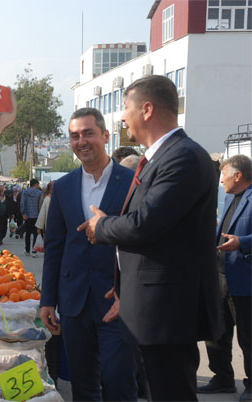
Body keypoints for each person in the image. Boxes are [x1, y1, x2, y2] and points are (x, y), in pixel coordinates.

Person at [77, 75, 222, 401]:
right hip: (154, 305)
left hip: (168, 309)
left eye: (125, 108)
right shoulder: (163, 156)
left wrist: (101, 226)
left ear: (147, 109)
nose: (122, 117)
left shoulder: (182, 157)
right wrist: (125, 287)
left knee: (171, 391)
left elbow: (144, 224)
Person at [39, 108, 137, 401]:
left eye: (88, 133)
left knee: (119, 382)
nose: (81, 141)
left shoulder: (132, 182)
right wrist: (48, 300)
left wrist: (129, 293)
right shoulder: (63, 186)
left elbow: (142, 241)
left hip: (116, 300)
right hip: (74, 301)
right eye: (74, 135)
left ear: (105, 136)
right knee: (82, 385)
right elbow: (55, 246)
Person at [198, 154, 251, 401]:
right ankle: (222, 378)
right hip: (219, 276)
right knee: (216, 331)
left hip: (244, 279)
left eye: (224, 176)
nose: (221, 181)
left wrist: (243, 243)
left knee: (248, 335)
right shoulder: (230, 198)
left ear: (238, 176)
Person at [20, 179, 42, 257]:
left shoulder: (25, 192)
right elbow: (40, 205)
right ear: (35, 184)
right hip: (36, 216)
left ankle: (27, 250)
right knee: (35, 234)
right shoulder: (39, 193)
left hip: (27, 216)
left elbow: (22, 203)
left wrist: (23, 213)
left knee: (28, 233)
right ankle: (34, 251)